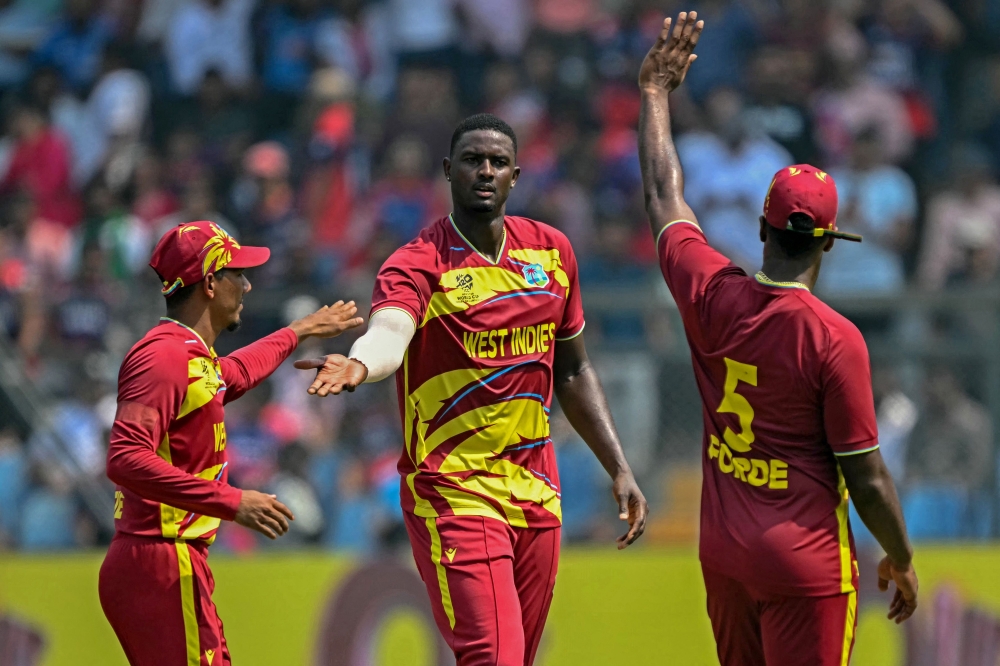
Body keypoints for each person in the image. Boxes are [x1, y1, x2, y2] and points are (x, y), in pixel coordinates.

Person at [295, 113, 648, 666]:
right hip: (453, 488)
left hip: (535, 488)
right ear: (447, 171)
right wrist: (360, 366)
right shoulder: (416, 264)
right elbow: (389, 333)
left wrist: (618, 466)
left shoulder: (552, 253)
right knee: (495, 657)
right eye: (472, 160)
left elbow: (574, 369)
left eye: (498, 162)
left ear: (516, 175)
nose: (485, 171)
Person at [636, 12, 917, 666]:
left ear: (762, 230)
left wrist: (654, 94)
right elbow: (867, 476)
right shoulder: (835, 338)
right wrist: (900, 558)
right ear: (827, 242)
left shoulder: (710, 290)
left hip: (725, 555)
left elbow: (661, 192)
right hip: (803, 564)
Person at [98, 220, 362, 666]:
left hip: (167, 561)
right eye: (237, 274)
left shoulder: (187, 351)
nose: (247, 284)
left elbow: (233, 374)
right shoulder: (162, 355)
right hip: (161, 560)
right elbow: (125, 458)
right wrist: (230, 501)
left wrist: (299, 331)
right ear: (209, 283)